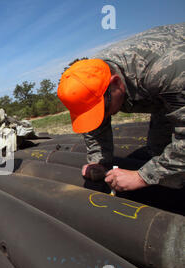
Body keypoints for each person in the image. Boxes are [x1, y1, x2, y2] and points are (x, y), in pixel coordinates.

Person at [57, 23, 184, 192]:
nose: (101, 117)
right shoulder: (92, 76)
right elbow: (94, 126)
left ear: (116, 83)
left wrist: (142, 176)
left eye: (102, 110)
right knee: (158, 150)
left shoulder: (166, 73)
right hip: (165, 95)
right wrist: (99, 162)